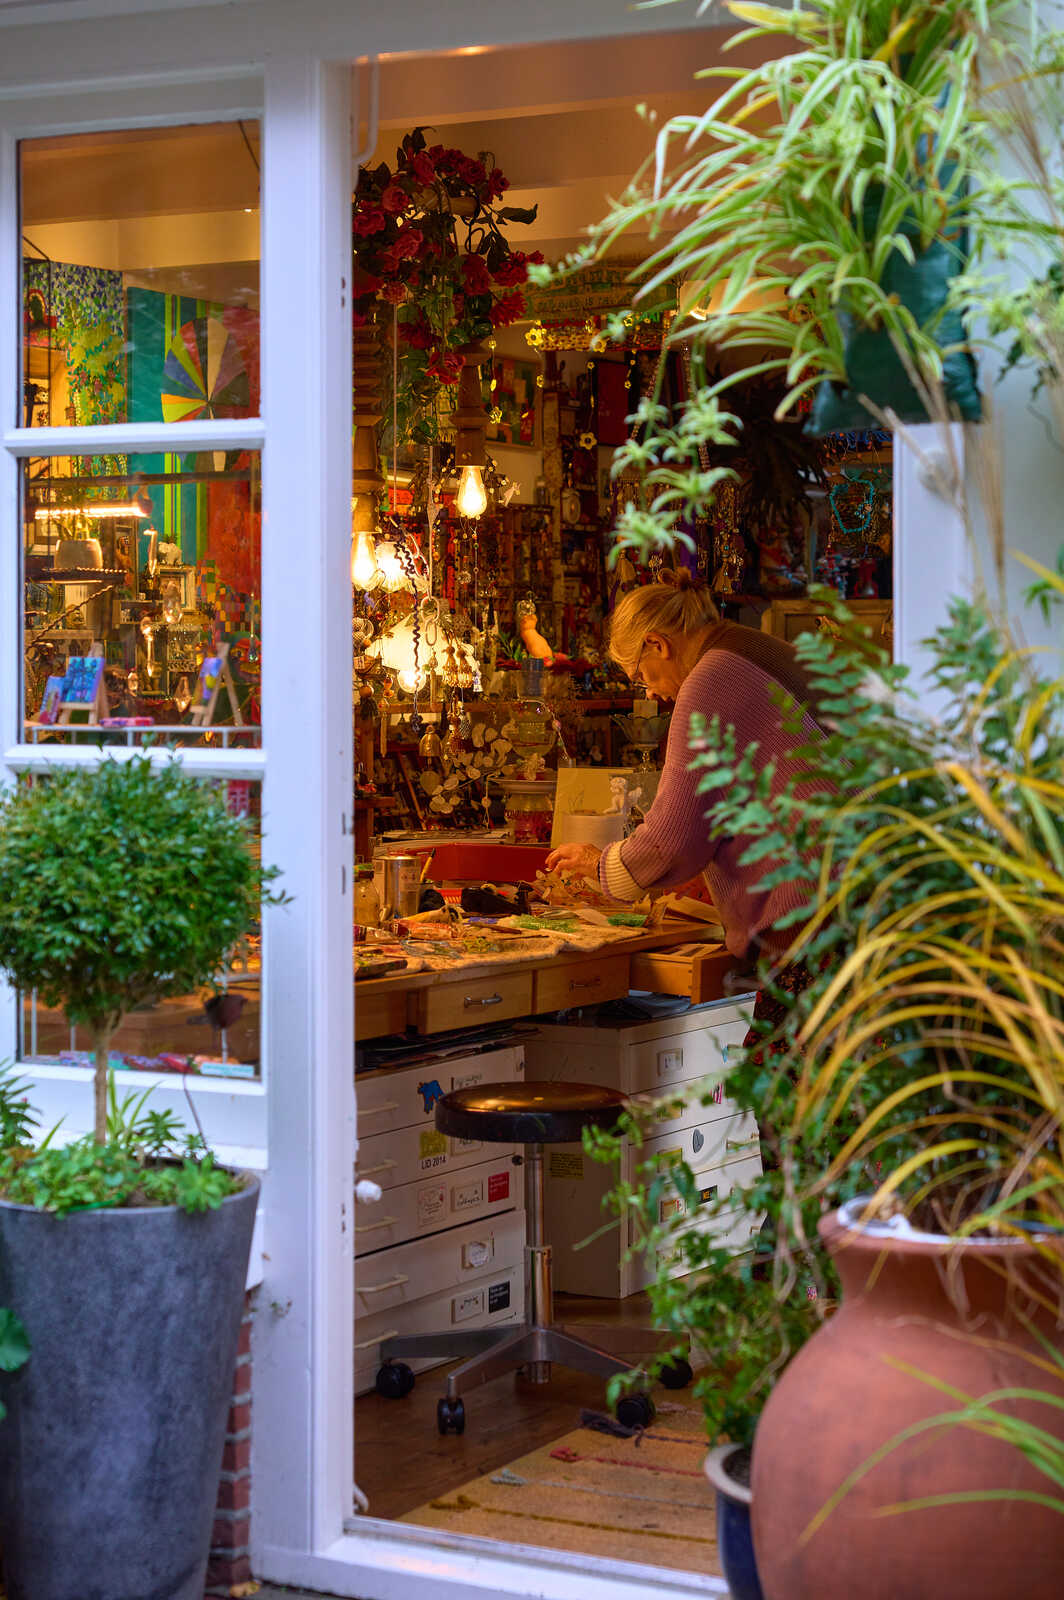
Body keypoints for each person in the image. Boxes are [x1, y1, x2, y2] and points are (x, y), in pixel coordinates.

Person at [545, 568, 831, 969]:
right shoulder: (757, 648)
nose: (651, 693)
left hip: (815, 914)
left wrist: (600, 865)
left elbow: (672, 838)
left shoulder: (709, 679)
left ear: (657, 644)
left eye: (640, 677)